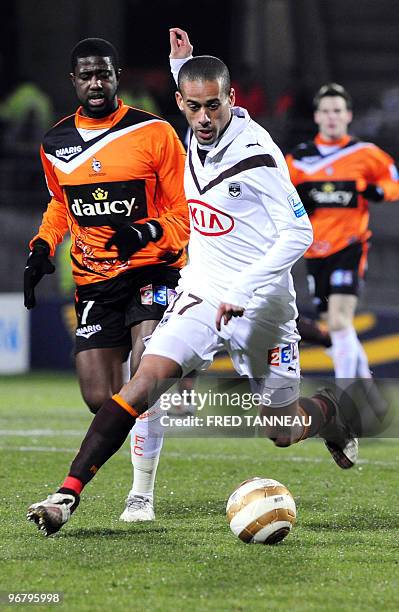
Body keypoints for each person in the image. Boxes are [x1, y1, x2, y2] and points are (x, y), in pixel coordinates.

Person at [27, 29, 358, 537]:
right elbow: (191, 86)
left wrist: (244, 290)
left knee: (283, 429)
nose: (204, 120)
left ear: (232, 100)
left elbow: (299, 232)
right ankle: (66, 495)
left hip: (261, 306)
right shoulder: (189, 129)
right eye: (194, 107)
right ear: (181, 102)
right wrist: (178, 60)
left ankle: (332, 412)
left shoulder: (258, 153)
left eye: (215, 108)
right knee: (142, 383)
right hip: (201, 292)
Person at [24, 37, 189, 523]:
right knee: (101, 399)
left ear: (118, 76)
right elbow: (60, 202)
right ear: (73, 81)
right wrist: (40, 246)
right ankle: (180, 377)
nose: (96, 83)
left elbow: (185, 210)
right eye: (86, 76)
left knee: (145, 370)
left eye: (104, 74)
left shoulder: (154, 132)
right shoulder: (54, 143)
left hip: (152, 269)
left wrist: (145, 231)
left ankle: (140, 494)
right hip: (94, 283)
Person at [285, 83, 399, 379]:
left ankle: (345, 396)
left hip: (350, 246)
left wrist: (378, 191)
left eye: (337, 111)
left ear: (348, 115)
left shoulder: (365, 153)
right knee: (336, 326)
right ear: (317, 117)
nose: (332, 117)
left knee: (337, 321)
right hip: (314, 250)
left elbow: (393, 182)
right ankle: (366, 387)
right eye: (326, 111)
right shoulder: (298, 158)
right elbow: (282, 197)